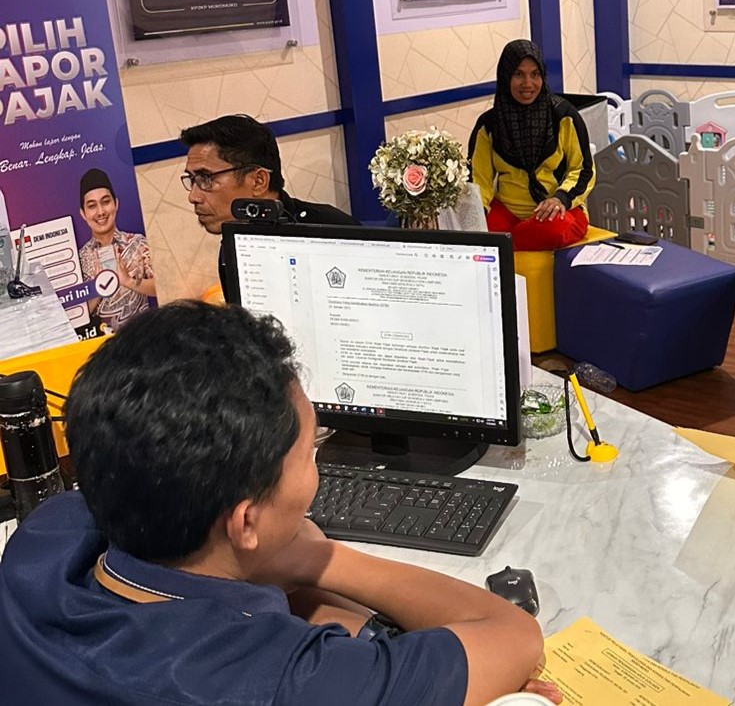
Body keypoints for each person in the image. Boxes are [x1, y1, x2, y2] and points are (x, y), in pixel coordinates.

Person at [0, 301, 559, 705]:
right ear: (244, 522)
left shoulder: (42, 539)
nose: (316, 470)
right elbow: (513, 636)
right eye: (311, 452)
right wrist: (321, 559)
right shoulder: (286, 683)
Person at [469, 40, 595, 251]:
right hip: (508, 211)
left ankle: (504, 243)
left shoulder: (563, 115)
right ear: (505, 76)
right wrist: (477, 217)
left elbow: (584, 170)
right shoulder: (489, 124)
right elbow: (477, 180)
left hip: (557, 209)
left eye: (535, 74)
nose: (528, 83)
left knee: (556, 230)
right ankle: (505, 240)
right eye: (518, 74)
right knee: (478, 233)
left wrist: (560, 199)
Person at [180, 114, 358, 235]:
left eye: (206, 179)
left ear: (259, 181)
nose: (193, 197)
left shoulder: (335, 230)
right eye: (192, 180)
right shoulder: (234, 240)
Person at [77, 167, 155, 332]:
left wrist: (129, 282)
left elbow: (161, 287)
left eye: (106, 202)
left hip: (142, 336)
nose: (100, 212)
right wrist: (97, 289)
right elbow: (77, 315)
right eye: (92, 206)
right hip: (101, 342)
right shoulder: (80, 259)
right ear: (83, 213)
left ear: (116, 204)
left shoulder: (138, 243)